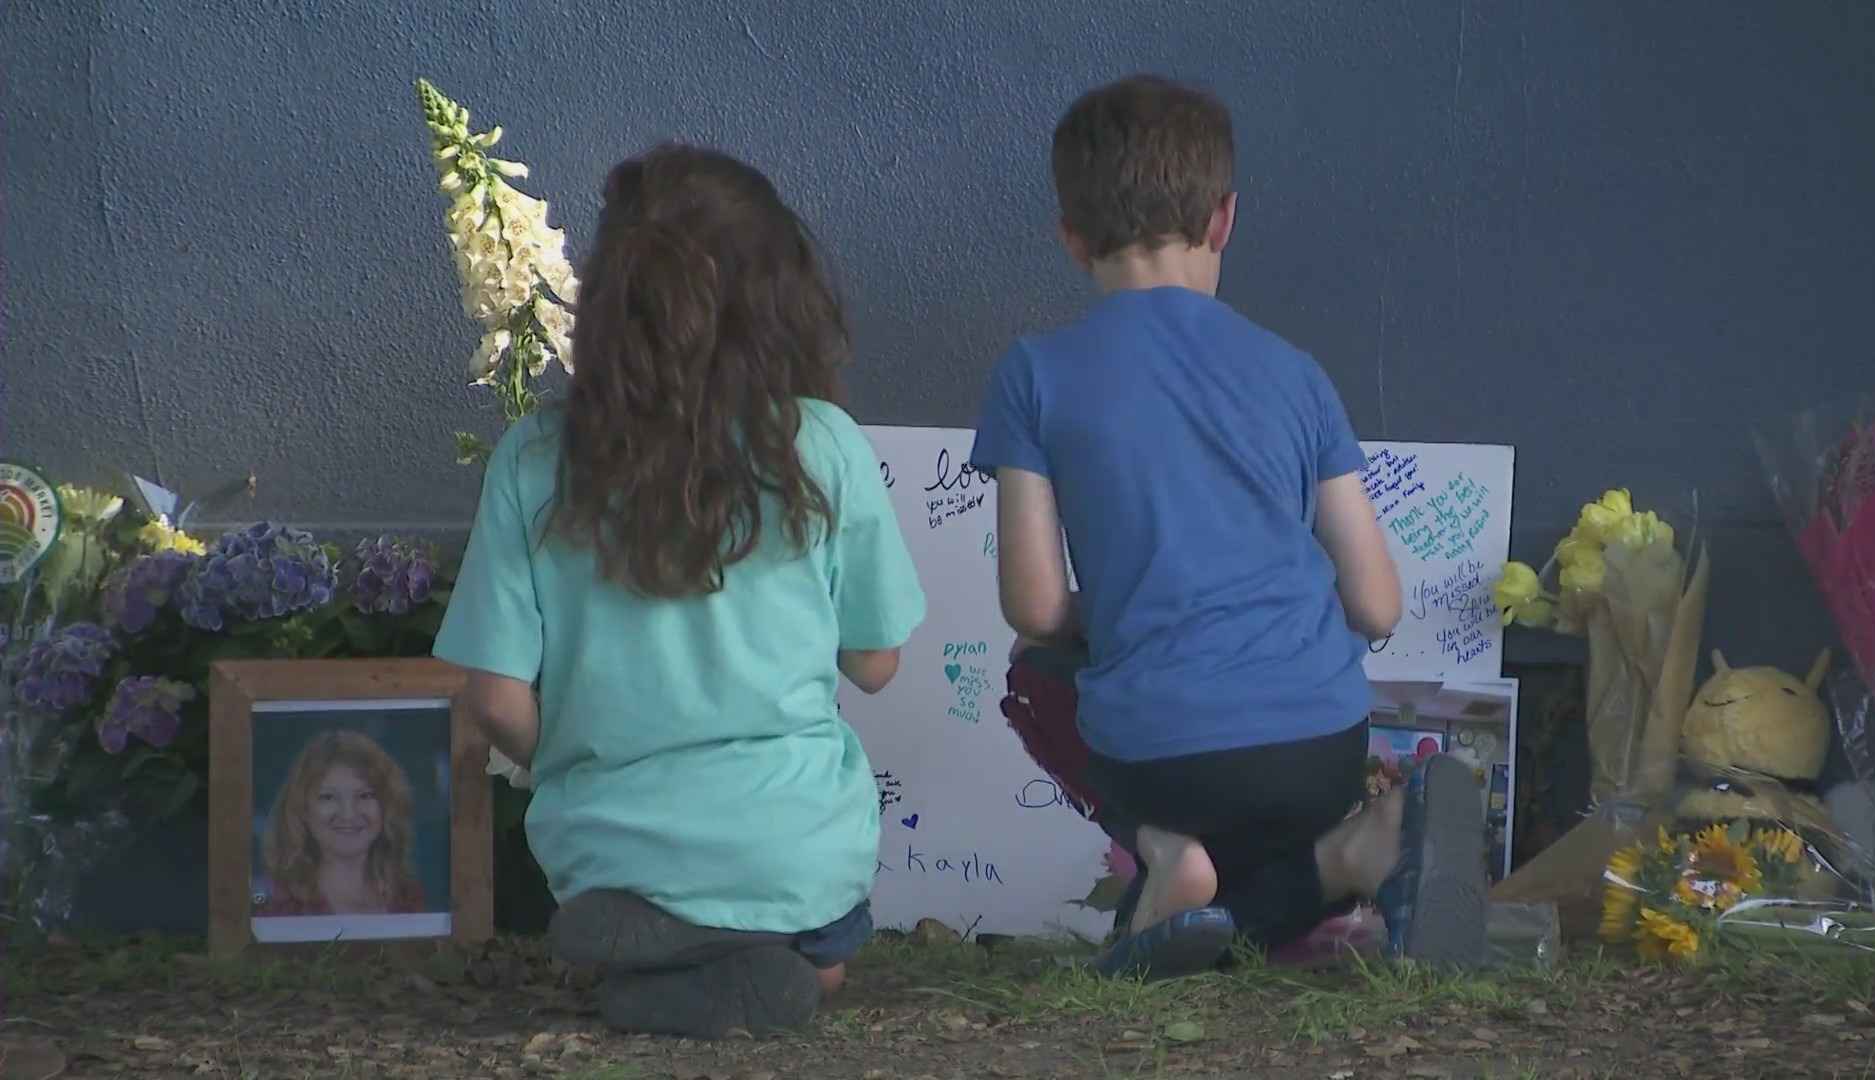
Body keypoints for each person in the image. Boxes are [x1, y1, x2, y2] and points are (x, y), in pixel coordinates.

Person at [971, 75, 1487, 980]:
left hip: (1158, 758)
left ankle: (1169, 853)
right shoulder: (1296, 374)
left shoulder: (1034, 374)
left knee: (1036, 669)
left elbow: (1036, 605)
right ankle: (1353, 853)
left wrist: (1135, 606)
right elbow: (1374, 605)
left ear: (1071, 241)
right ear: (1224, 219)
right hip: (1318, 750)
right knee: (1263, 794)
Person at [433, 144, 926, 1038]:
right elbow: (877, 664)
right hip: (793, 849)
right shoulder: (825, 445)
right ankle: (745, 964)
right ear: (779, 295)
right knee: (826, 966)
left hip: (605, 845)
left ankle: (658, 944)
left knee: (643, 882)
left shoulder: (536, 457)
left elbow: (494, 699)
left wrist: (577, 761)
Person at [256, 730, 430, 916]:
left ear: (386, 807)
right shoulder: (272, 904)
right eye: (328, 797)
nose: (348, 815)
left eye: (365, 795)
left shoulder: (408, 896)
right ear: (303, 810)